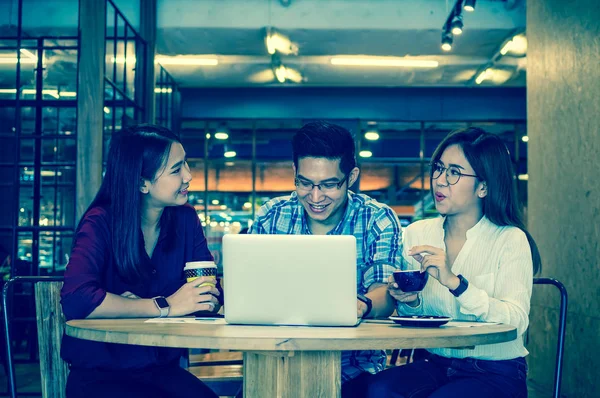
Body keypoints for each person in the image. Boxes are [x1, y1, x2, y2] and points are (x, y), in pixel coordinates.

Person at [366, 127, 541, 398]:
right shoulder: (416, 233)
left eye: (454, 172)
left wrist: (456, 284)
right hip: (436, 363)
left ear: (483, 186)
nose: (439, 180)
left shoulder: (510, 239)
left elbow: (517, 322)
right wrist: (409, 300)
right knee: (379, 390)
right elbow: (414, 317)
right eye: (439, 168)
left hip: (495, 371)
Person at [60, 125, 221, 398]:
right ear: (141, 183)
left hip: (159, 370)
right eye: (176, 169)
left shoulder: (185, 219)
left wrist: (206, 299)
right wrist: (165, 305)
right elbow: (77, 300)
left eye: (186, 164)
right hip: (101, 375)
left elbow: (209, 296)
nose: (189, 176)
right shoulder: (100, 222)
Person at [250, 121, 404, 397]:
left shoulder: (376, 219)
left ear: (352, 176)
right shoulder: (271, 215)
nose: (316, 197)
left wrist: (359, 305)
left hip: (354, 369)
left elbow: (385, 294)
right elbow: (250, 289)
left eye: (329, 185)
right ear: (294, 172)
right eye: (305, 183)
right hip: (277, 364)